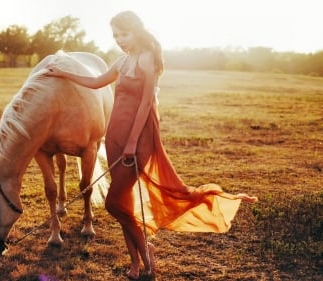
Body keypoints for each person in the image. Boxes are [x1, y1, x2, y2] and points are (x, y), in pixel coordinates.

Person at [45, 10, 257, 280]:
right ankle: (136, 263)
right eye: (115, 35)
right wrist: (62, 72)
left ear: (137, 31)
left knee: (112, 203)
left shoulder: (147, 59)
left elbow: (146, 103)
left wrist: (133, 141)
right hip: (115, 136)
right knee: (122, 202)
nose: (120, 40)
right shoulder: (121, 62)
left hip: (140, 136)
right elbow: (96, 82)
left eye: (124, 34)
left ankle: (146, 252)